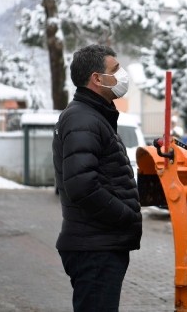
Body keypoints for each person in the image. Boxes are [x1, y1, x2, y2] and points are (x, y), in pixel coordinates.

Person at [53, 44, 142, 312]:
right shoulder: (83, 119)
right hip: (94, 247)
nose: (122, 75)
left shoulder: (93, 116)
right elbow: (82, 185)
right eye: (115, 69)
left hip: (98, 244)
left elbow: (103, 175)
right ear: (96, 78)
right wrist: (125, 215)